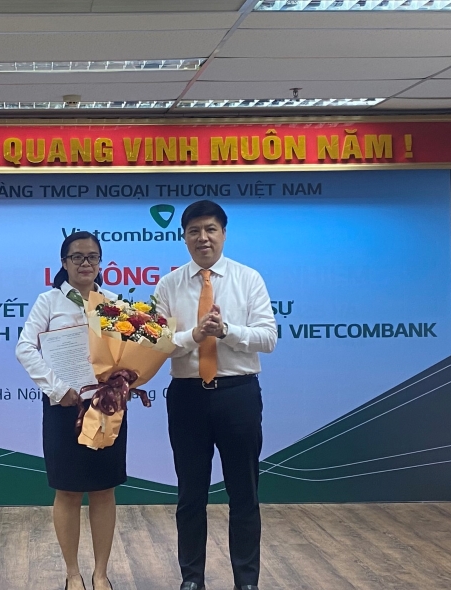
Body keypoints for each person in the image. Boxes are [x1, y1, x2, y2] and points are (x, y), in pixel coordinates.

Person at [154, 201, 277, 590]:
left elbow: (268, 338)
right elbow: (158, 345)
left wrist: (226, 331)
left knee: (244, 493)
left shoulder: (248, 279)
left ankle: (247, 581)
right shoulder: (168, 285)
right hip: (187, 396)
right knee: (190, 495)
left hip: (237, 395)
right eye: (194, 231)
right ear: (184, 237)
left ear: (223, 234)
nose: (202, 238)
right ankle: (192, 579)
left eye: (210, 229)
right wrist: (195, 335)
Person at [16, 231, 121, 590]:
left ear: (100, 262)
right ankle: (73, 573)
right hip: (65, 408)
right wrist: (58, 389)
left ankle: (101, 574)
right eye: (77, 257)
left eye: (92, 257)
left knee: (104, 490)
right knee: (68, 491)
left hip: (107, 408)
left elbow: (126, 353)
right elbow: (25, 348)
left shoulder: (113, 303)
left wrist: (123, 379)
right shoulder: (48, 302)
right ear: (64, 263)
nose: (85, 263)